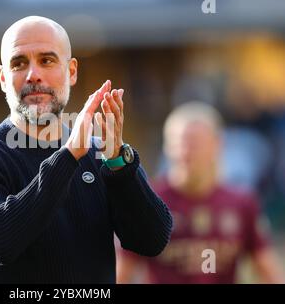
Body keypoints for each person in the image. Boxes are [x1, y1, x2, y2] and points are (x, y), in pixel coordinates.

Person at [0, 16, 172, 284]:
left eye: (47, 60)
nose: (33, 75)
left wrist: (120, 164)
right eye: (19, 63)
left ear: (72, 71)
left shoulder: (102, 156)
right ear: (3, 78)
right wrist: (68, 157)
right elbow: (0, 242)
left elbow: (152, 241)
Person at [116, 101, 285, 284]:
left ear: (217, 144)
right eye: (180, 143)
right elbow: (120, 274)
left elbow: (270, 272)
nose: (186, 151)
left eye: (195, 143)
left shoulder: (242, 203)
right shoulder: (147, 201)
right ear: (167, 147)